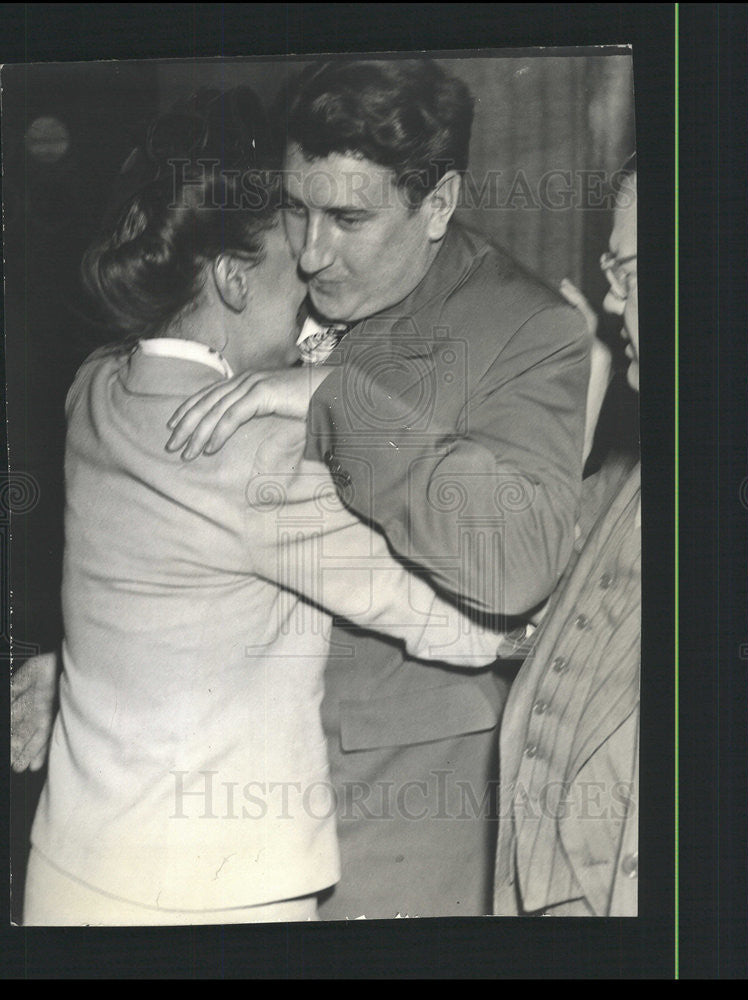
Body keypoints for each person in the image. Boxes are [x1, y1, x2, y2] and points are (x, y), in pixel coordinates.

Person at [14, 90, 505, 926]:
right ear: (235, 279)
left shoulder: (93, 387)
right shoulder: (260, 459)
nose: (316, 279)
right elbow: (468, 622)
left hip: (68, 869)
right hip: (217, 894)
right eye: (295, 262)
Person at [164, 59, 594, 919]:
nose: (310, 250)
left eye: (348, 218)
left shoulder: (526, 329)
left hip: (392, 801)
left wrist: (334, 402)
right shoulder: (267, 275)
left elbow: (515, 563)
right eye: (296, 205)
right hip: (218, 770)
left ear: (436, 206)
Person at [493, 168, 640, 918]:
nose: (612, 299)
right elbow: (524, 597)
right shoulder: (632, 471)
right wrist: (591, 384)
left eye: (630, 271)